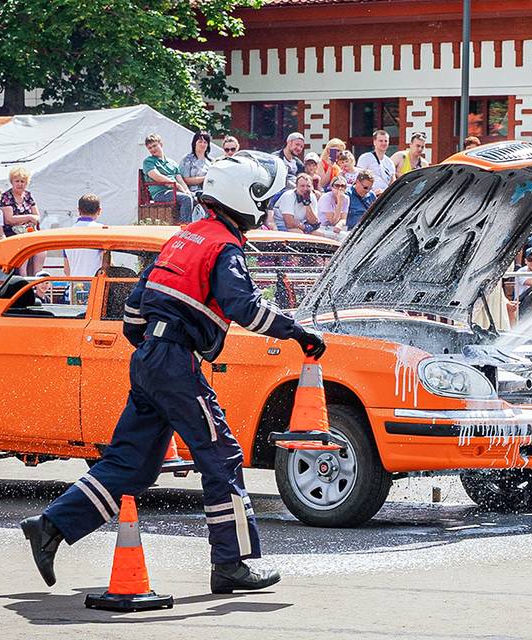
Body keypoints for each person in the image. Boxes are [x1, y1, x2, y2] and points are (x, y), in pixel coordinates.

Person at [20, 150, 326, 595]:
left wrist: (154, 355)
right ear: (245, 197)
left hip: (150, 360)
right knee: (220, 455)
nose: (265, 204)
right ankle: (231, 564)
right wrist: (298, 333)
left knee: (131, 464)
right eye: (262, 196)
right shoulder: (225, 247)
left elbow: (131, 312)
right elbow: (243, 307)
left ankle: (50, 526)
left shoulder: (184, 237)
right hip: (173, 361)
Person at [0, 167, 43, 274]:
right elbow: (9, 219)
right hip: (12, 233)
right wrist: (29, 217)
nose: (20, 184)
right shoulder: (6, 197)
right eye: (17, 181)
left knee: (41, 251)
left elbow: (37, 217)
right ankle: (24, 279)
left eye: (22, 181)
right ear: (12, 182)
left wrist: (31, 218)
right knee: (24, 251)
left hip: (29, 232)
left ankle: (37, 277)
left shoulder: (28, 196)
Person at [142, 133, 195, 223]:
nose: (152, 149)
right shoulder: (148, 162)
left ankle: (199, 227)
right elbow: (157, 176)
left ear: (161, 144)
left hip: (175, 191)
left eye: (154, 145)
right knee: (186, 199)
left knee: (198, 198)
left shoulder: (172, 163)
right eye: (150, 148)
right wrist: (176, 185)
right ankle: (185, 227)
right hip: (161, 193)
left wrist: (186, 191)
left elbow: (180, 180)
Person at [63, 194, 103, 278]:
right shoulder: (102, 231)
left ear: (78, 210)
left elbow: (66, 270)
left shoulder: (67, 234)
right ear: (99, 211)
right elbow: (106, 262)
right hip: (95, 286)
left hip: (75, 286)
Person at [355, 129, 396, 194]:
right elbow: (358, 177)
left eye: (386, 141)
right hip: (369, 195)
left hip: (385, 196)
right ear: (374, 142)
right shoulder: (365, 157)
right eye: (380, 141)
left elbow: (393, 182)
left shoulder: (390, 162)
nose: (383, 143)